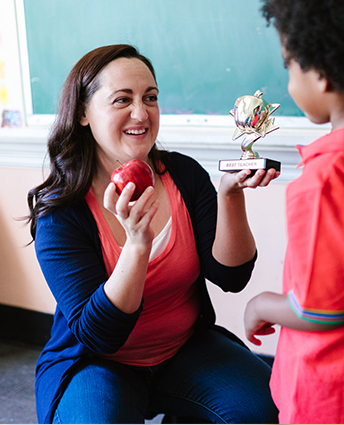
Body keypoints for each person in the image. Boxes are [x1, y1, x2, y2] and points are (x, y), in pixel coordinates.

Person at [26, 44, 280, 424]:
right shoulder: (61, 212)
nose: (141, 113)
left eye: (150, 97)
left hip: (185, 348)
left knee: (262, 411)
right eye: (122, 100)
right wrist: (137, 244)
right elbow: (99, 335)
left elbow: (232, 276)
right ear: (82, 113)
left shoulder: (184, 175)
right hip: (97, 362)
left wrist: (230, 195)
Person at [244, 0, 344, 423]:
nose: (289, 82)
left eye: (289, 65)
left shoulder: (328, 181)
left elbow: (317, 309)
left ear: (323, 74)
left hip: (335, 402)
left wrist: (260, 304)